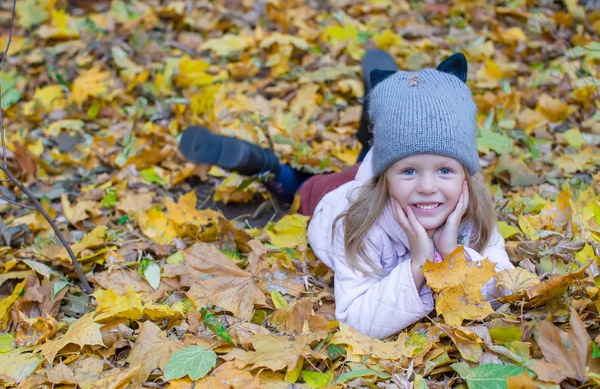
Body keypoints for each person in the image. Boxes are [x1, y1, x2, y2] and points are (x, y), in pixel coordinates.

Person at [179, 50, 515, 339]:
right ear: (384, 177)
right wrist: (418, 265)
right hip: (333, 195)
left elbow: (506, 287)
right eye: (411, 171)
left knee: (390, 151)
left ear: (466, 177)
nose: (427, 186)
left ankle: (378, 107)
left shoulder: (473, 213)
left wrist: (452, 254)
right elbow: (355, 318)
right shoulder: (357, 220)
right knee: (298, 189)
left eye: (444, 170)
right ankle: (264, 166)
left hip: (383, 170)